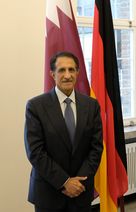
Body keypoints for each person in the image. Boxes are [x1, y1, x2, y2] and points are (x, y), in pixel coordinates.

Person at [24, 51, 103, 212]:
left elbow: (96, 148)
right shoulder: (36, 106)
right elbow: (35, 152)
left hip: (81, 191)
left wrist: (77, 183)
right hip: (48, 193)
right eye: (61, 70)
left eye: (71, 70)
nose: (67, 75)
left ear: (78, 72)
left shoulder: (91, 106)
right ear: (52, 74)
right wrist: (65, 182)